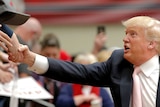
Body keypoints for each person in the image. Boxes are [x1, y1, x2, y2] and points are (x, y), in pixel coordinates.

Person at [2, 16, 160, 107]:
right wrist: (30, 58)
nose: (124, 39)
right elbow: (77, 71)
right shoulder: (118, 62)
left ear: (151, 43)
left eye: (133, 35)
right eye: (126, 33)